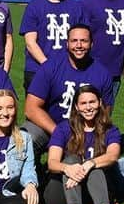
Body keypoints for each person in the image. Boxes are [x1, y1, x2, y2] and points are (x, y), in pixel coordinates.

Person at [44, 85, 123, 204]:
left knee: (95, 168)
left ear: (100, 102)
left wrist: (89, 164)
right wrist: (69, 169)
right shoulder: (64, 128)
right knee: (71, 160)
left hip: (97, 190)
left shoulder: (110, 130)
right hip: (66, 191)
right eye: (83, 103)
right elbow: (52, 162)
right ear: (76, 107)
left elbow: (113, 155)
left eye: (92, 102)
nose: (88, 107)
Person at [23, 24, 114, 152]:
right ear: (67, 44)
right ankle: (34, 171)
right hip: (49, 127)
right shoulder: (51, 67)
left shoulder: (102, 74)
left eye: (84, 41)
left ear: (92, 44)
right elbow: (31, 109)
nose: (79, 45)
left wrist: (85, 137)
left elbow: (105, 114)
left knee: (77, 164)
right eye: (74, 41)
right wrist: (59, 134)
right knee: (25, 139)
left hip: (83, 132)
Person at [19, 0, 86, 90]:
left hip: (67, 72)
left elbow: (82, 41)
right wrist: (48, 66)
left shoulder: (76, 7)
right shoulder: (34, 6)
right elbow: (30, 43)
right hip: (37, 70)